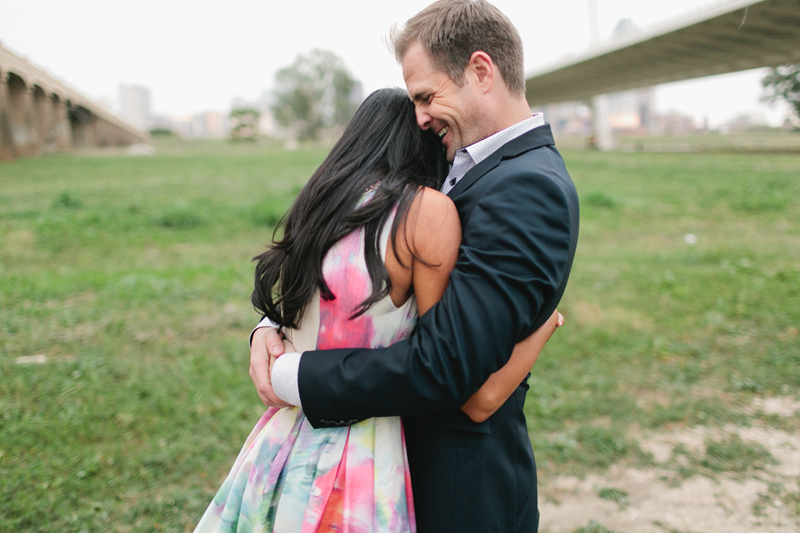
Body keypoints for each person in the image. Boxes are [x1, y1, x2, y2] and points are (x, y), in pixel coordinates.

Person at [196, 88, 562, 532]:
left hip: (278, 444)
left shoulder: (321, 204)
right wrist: (543, 323)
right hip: (357, 456)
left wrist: (265, 329)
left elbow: (315, 301)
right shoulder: (424, 212)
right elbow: (466, 387)